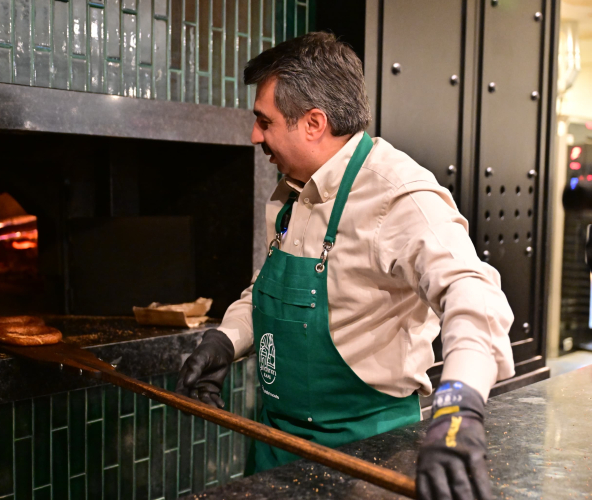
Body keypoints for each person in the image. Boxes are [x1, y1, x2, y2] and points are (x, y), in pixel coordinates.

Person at [176, 32, 514, 500]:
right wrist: (226, 339)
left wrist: (461, 407)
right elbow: (270, 289)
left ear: (313, 123)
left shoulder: (398, 195)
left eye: (264, 121)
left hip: (368, 457)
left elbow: (472, 292)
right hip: (276, 446)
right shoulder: (295, 191)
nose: (254, 135)